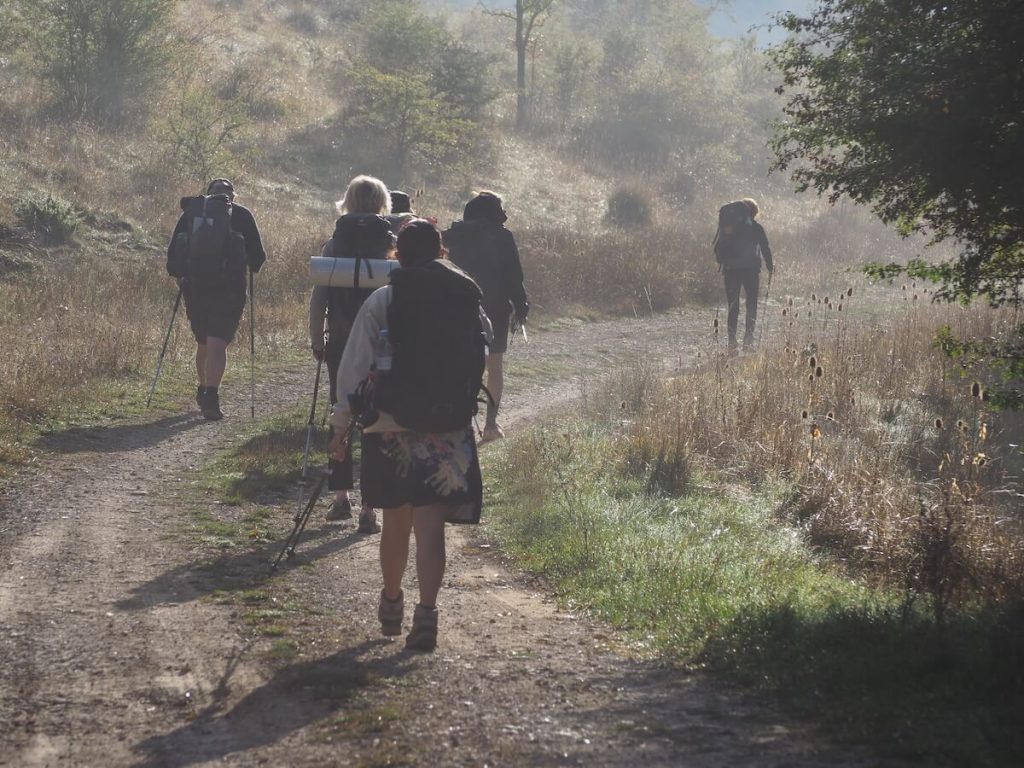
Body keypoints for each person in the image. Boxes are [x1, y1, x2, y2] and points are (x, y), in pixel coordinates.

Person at [329, 219, 486, 652]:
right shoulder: (464, 292)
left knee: (396, 522)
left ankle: (392, 601)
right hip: (447, 426)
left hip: (388, 423)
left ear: (397, 252)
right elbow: (483, 347)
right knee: (431, 526)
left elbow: (355, 364)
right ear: (441, 251)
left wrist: (340, 425)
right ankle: (428, 615)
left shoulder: (385, 298)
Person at [309, 175, 395, 532]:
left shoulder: (334, 245)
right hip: (384, 346)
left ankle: (341, 497)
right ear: (381, 203)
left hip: (342, 344)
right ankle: (370, 508)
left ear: (347, 201)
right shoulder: (392, 243)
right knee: (376, 422)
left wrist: (317, 338)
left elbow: (319, 300)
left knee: (340, 414)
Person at [166, 178, 266, 420]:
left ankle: (203, 388)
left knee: (203, 342)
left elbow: (172, 259)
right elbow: (258, 260)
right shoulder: (242, 215)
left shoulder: (192, 213)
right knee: (217, 342)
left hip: (195, 288)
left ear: (209, 195)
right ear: (232, 196)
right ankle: (211, 394)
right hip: (229, 290)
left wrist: (184, 277)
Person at [443, 191, 528, 441]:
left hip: (457, 308)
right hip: (494, 308)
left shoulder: (451, 235)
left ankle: (460, 421)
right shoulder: (503, 237)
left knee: (459, 364)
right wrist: (521, 304)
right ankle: (491, 425)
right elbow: (514, 275)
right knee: (494, 366)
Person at [714, 197, 773, 354]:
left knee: (733, 307)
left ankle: (732, 344)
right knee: (751, 305)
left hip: (731, 269)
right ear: (753, 212)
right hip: (751, 270)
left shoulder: (728, 227)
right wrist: (770, 266)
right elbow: (765, 247)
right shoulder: (756, 227)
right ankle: (748, 341)